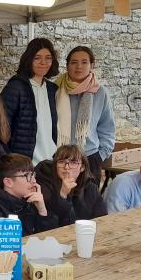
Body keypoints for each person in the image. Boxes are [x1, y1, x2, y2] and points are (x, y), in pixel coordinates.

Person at [0, 154, 58, 249]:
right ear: (8, 182)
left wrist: (42, 212)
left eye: (33, 175)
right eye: (28, 176)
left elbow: (48, 242)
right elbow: (8, 253)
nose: (34, 181)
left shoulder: (26, 201)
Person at [55, 46, 115, 182]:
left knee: (88, 195)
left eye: (84, 62)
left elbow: (107, 128)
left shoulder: (100, 92)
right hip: (60, 159)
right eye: (74, 62)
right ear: (67, 65)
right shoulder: (55, 90)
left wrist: (100, 156)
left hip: (89, 158)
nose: (79, 67)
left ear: (92, 65)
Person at [1, 38, 59, 165]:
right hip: (25, 164)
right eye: (37, 58)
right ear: (29, 59)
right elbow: (1, 125)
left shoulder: (53, 89)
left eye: (48, 58)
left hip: (50, 162)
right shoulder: (15, 87)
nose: (43, 62)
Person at [35, 144, 107, 225]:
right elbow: (52, 223)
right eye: (61, 162)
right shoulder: (45, 186)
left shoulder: (90, 187)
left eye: (73, 162)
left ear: (82, 167)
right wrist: (63, 195)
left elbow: (102, 219)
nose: (66, 167)